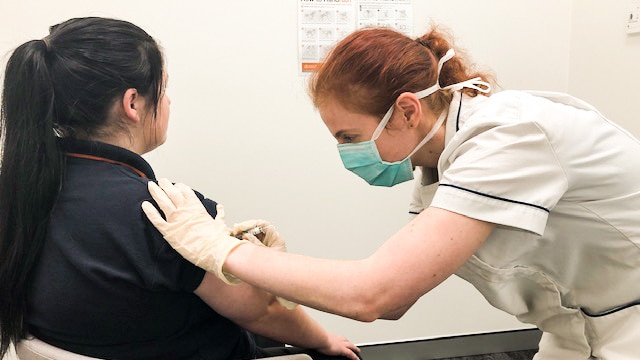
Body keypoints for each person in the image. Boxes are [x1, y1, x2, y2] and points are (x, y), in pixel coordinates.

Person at [143, 24, 640, 359]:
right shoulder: (437, 168)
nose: (345, 153)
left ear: (406, 110)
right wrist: (274, 268)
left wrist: (221, 251)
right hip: (577, 330)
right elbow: (396, 295)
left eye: (349, 137)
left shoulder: (509, 139)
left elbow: (376, 295)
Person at [0, 17, 360, 360]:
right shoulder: (163, 212)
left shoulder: (21, 189)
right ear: (132, 104)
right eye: (164, 88)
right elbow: (261, 311)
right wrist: (324, 339)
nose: (168, 101)